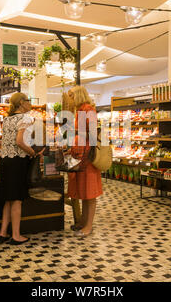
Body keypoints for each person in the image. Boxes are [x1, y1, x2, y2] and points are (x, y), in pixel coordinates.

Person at [0, 92, 43, 245]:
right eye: (28, 101)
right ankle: (16, 235)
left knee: (8, 199)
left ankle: (3, 233)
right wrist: (34, 153)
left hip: (5, 160)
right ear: (21, 103)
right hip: (18, 162)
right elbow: (20, 141)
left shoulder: (7, 119)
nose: (30, 103)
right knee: (17, 199)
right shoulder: (26, 118)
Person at [66, 86, 103, 237]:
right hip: (79, 155)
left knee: (90, 192)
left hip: (87, 157)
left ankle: (88, 226)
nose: (69, 99)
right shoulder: (80, 111)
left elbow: (93, 134)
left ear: (78, 95)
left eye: (71, 96)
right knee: (83, 191)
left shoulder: (88, 110)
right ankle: (82, 222)